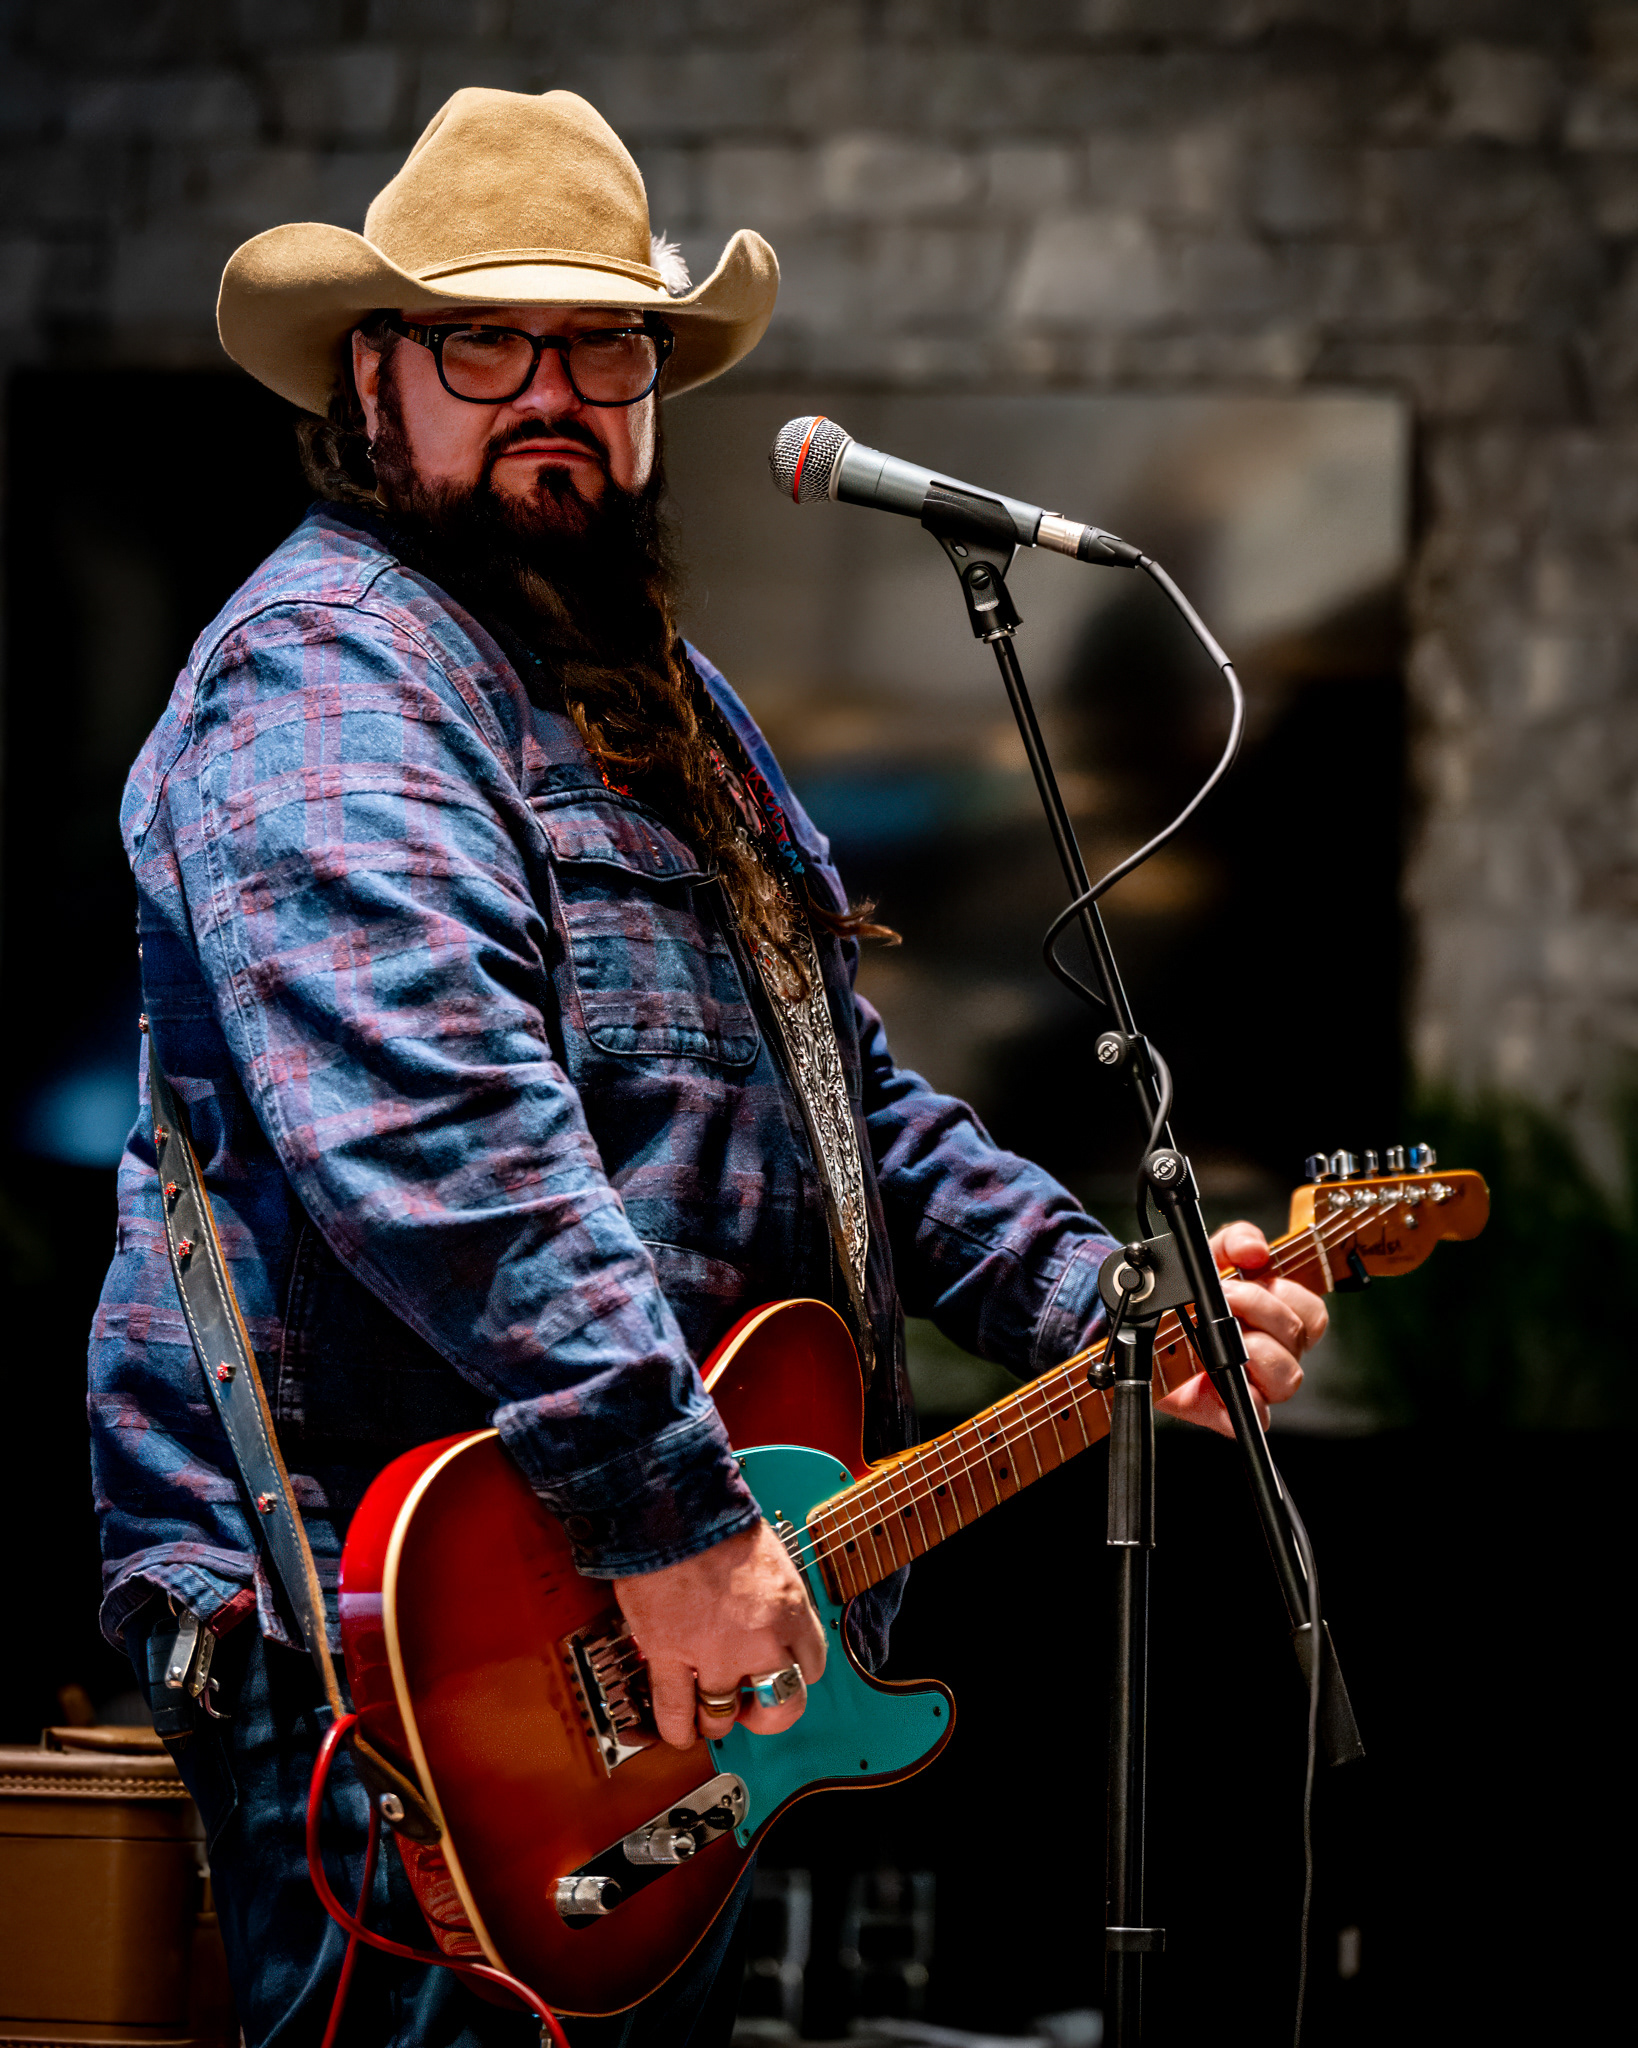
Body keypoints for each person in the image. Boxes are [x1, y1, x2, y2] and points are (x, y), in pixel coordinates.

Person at [89, 88, 1326, 2048]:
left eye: (605, 344)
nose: (555, 389)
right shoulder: (334, 668)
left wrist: (1112, 1302)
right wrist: (672, 1520)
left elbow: (851, 1102)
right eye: (489, 341)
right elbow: (440, 1121)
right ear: (371, 378)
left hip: (639, 1655)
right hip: (395, 1651)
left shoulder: (670, 706)